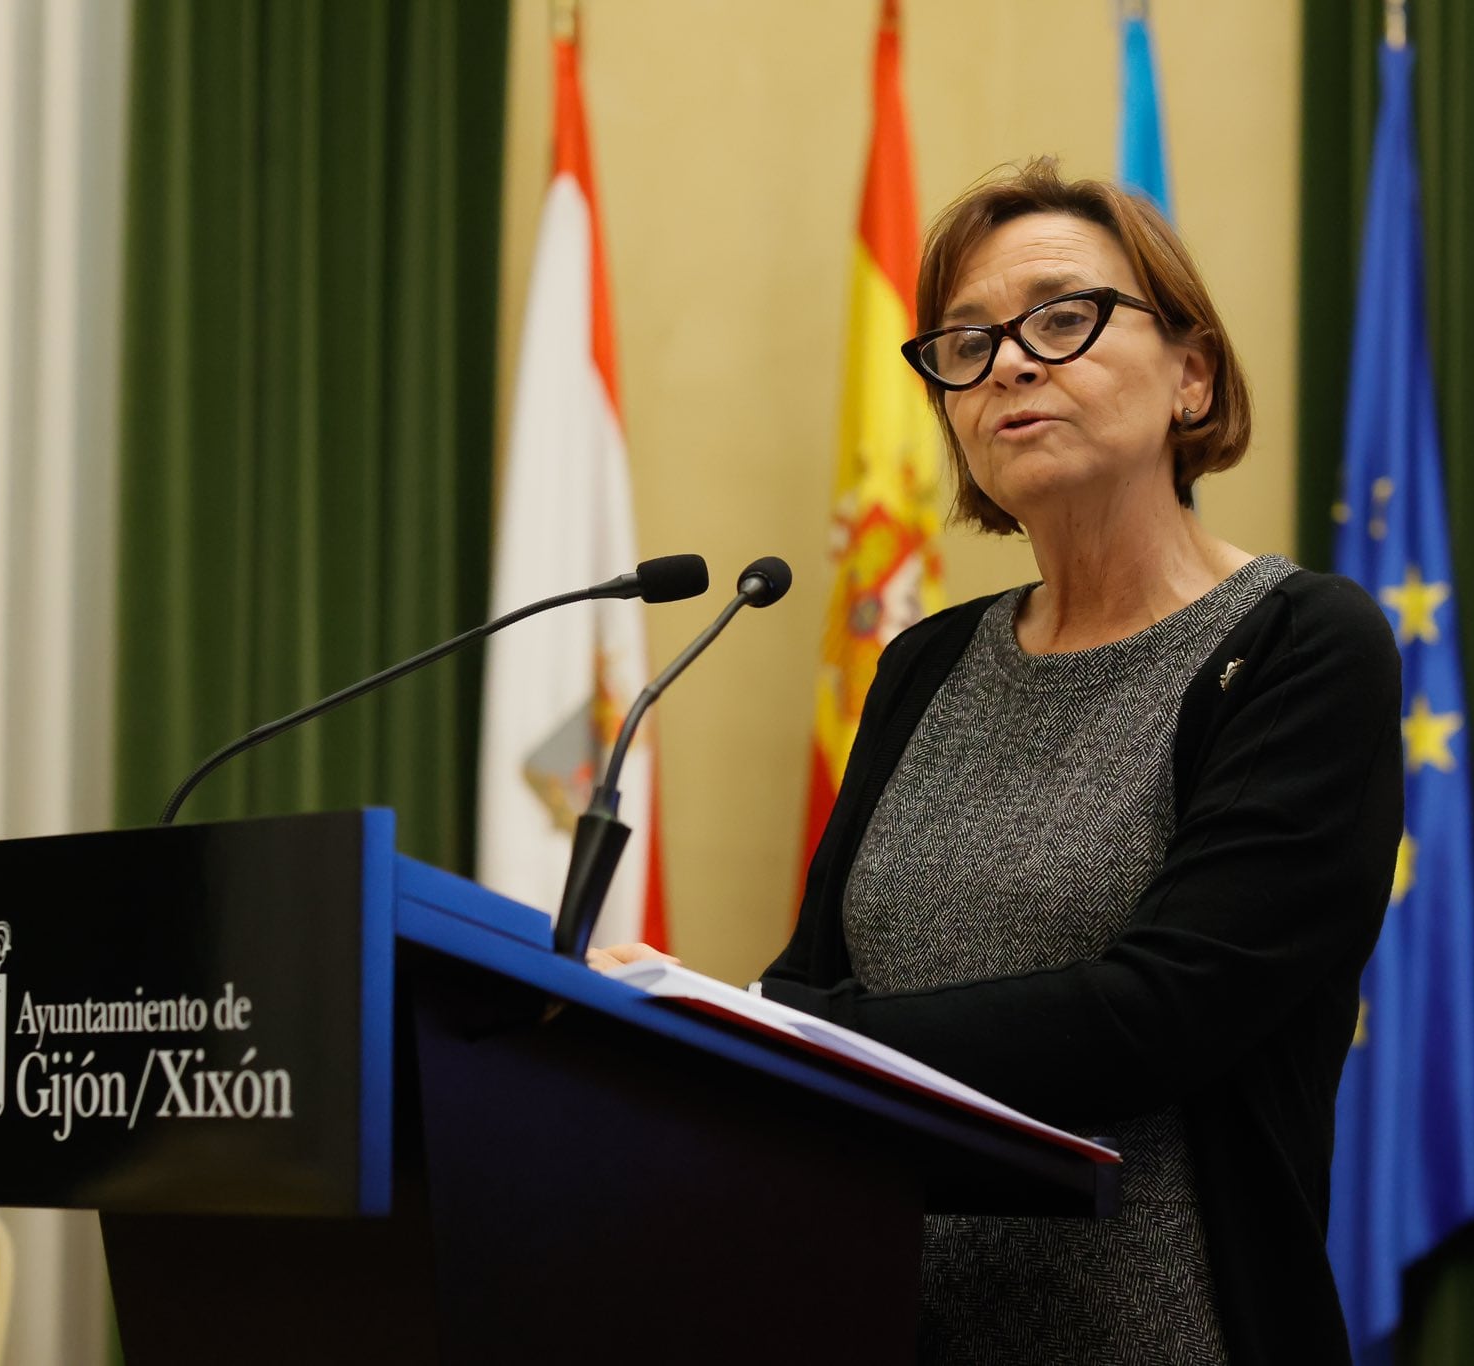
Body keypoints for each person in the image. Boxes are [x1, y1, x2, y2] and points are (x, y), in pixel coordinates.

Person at [597, 158, 1401, 1364]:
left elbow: (1163, 1013)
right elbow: (817, 970)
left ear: (1191, 372)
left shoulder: (1295, 646)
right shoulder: (926, 663)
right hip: (880, 1324)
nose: (1010, 364)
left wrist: (769, 1024)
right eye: (963, 343)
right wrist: (689, 1027)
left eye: (1063, 317)